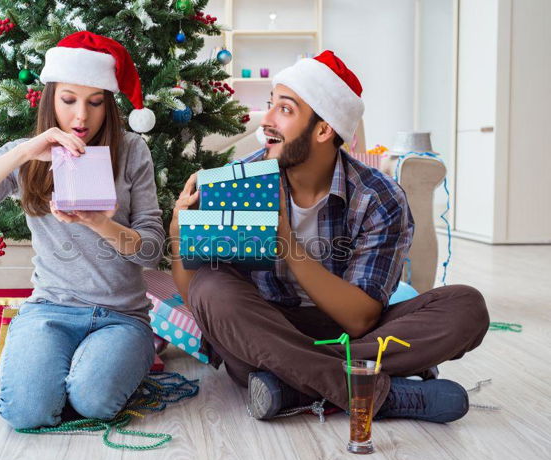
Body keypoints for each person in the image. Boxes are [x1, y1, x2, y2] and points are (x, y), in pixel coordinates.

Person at [170, 51, 490, 423]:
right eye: (270, 105)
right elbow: (198, 298)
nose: (266, 120)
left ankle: (291, 384)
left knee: (466, 306)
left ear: (324, 130)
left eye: (285, 110)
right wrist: (180, 239)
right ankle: (378, 394)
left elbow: (360, 319)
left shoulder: (378, 198)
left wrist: (288, 244)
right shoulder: (241, 178)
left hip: (340, 333)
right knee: (212, 289)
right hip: (266, 325)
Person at [0, 31, 163, 429]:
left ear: (108, 104)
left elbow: (151, 252)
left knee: (94, 402)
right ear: (50, 98)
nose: (81, 117)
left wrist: (100, 223)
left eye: (95, 103)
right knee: (26, 413)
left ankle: (106, 367)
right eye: (69, 100)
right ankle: (67, 373)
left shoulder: (131, 150)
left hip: (122, 316)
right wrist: (22, 153)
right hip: (49, 310)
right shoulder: (27, 154)